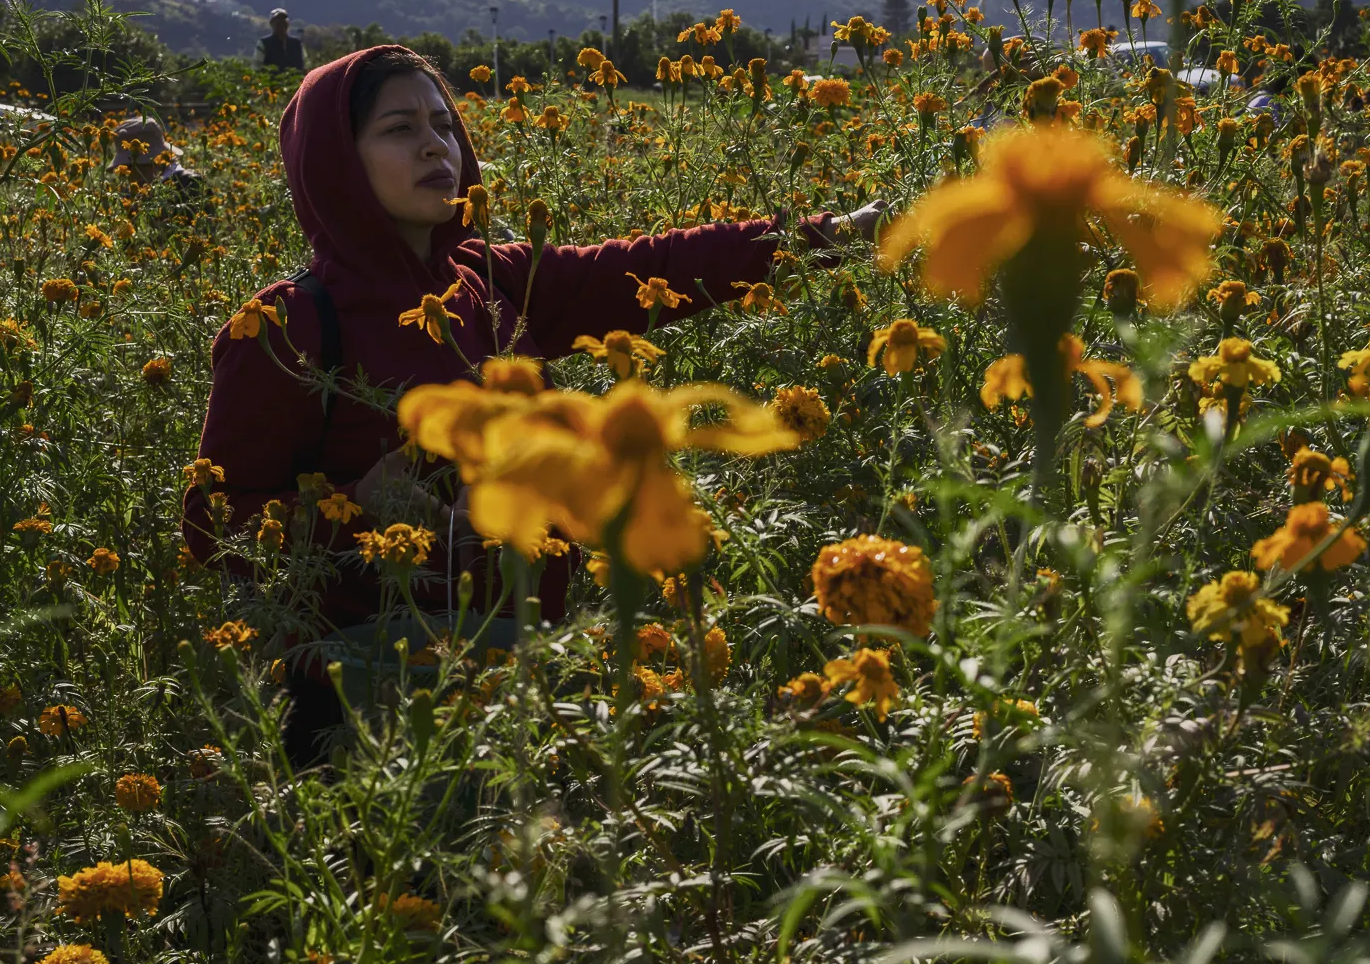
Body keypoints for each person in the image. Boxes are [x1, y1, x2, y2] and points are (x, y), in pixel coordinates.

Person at [180, 45, 881, 755]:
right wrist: (358, 504)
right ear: (336, 162)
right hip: (367, 704)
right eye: (398, 129)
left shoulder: (494, 279)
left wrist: (830, 236)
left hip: (521, 677)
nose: (434, 144)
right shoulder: (289, 325)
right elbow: (212, 527)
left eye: (443, 124)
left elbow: (659, 265)